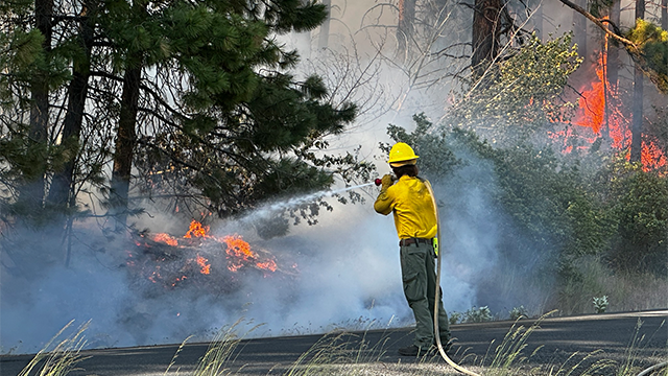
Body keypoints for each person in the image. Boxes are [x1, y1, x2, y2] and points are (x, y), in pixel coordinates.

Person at [374, 142, 451, 357]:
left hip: (412, 249)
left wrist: (385, 187)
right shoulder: (425, 187)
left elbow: (380, 208)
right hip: (428, 249)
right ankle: (443, 339)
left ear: (395, 168)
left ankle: (424, 343)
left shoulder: (396, 190)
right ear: (413, 165)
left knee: (417, 296)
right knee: (433, 295)